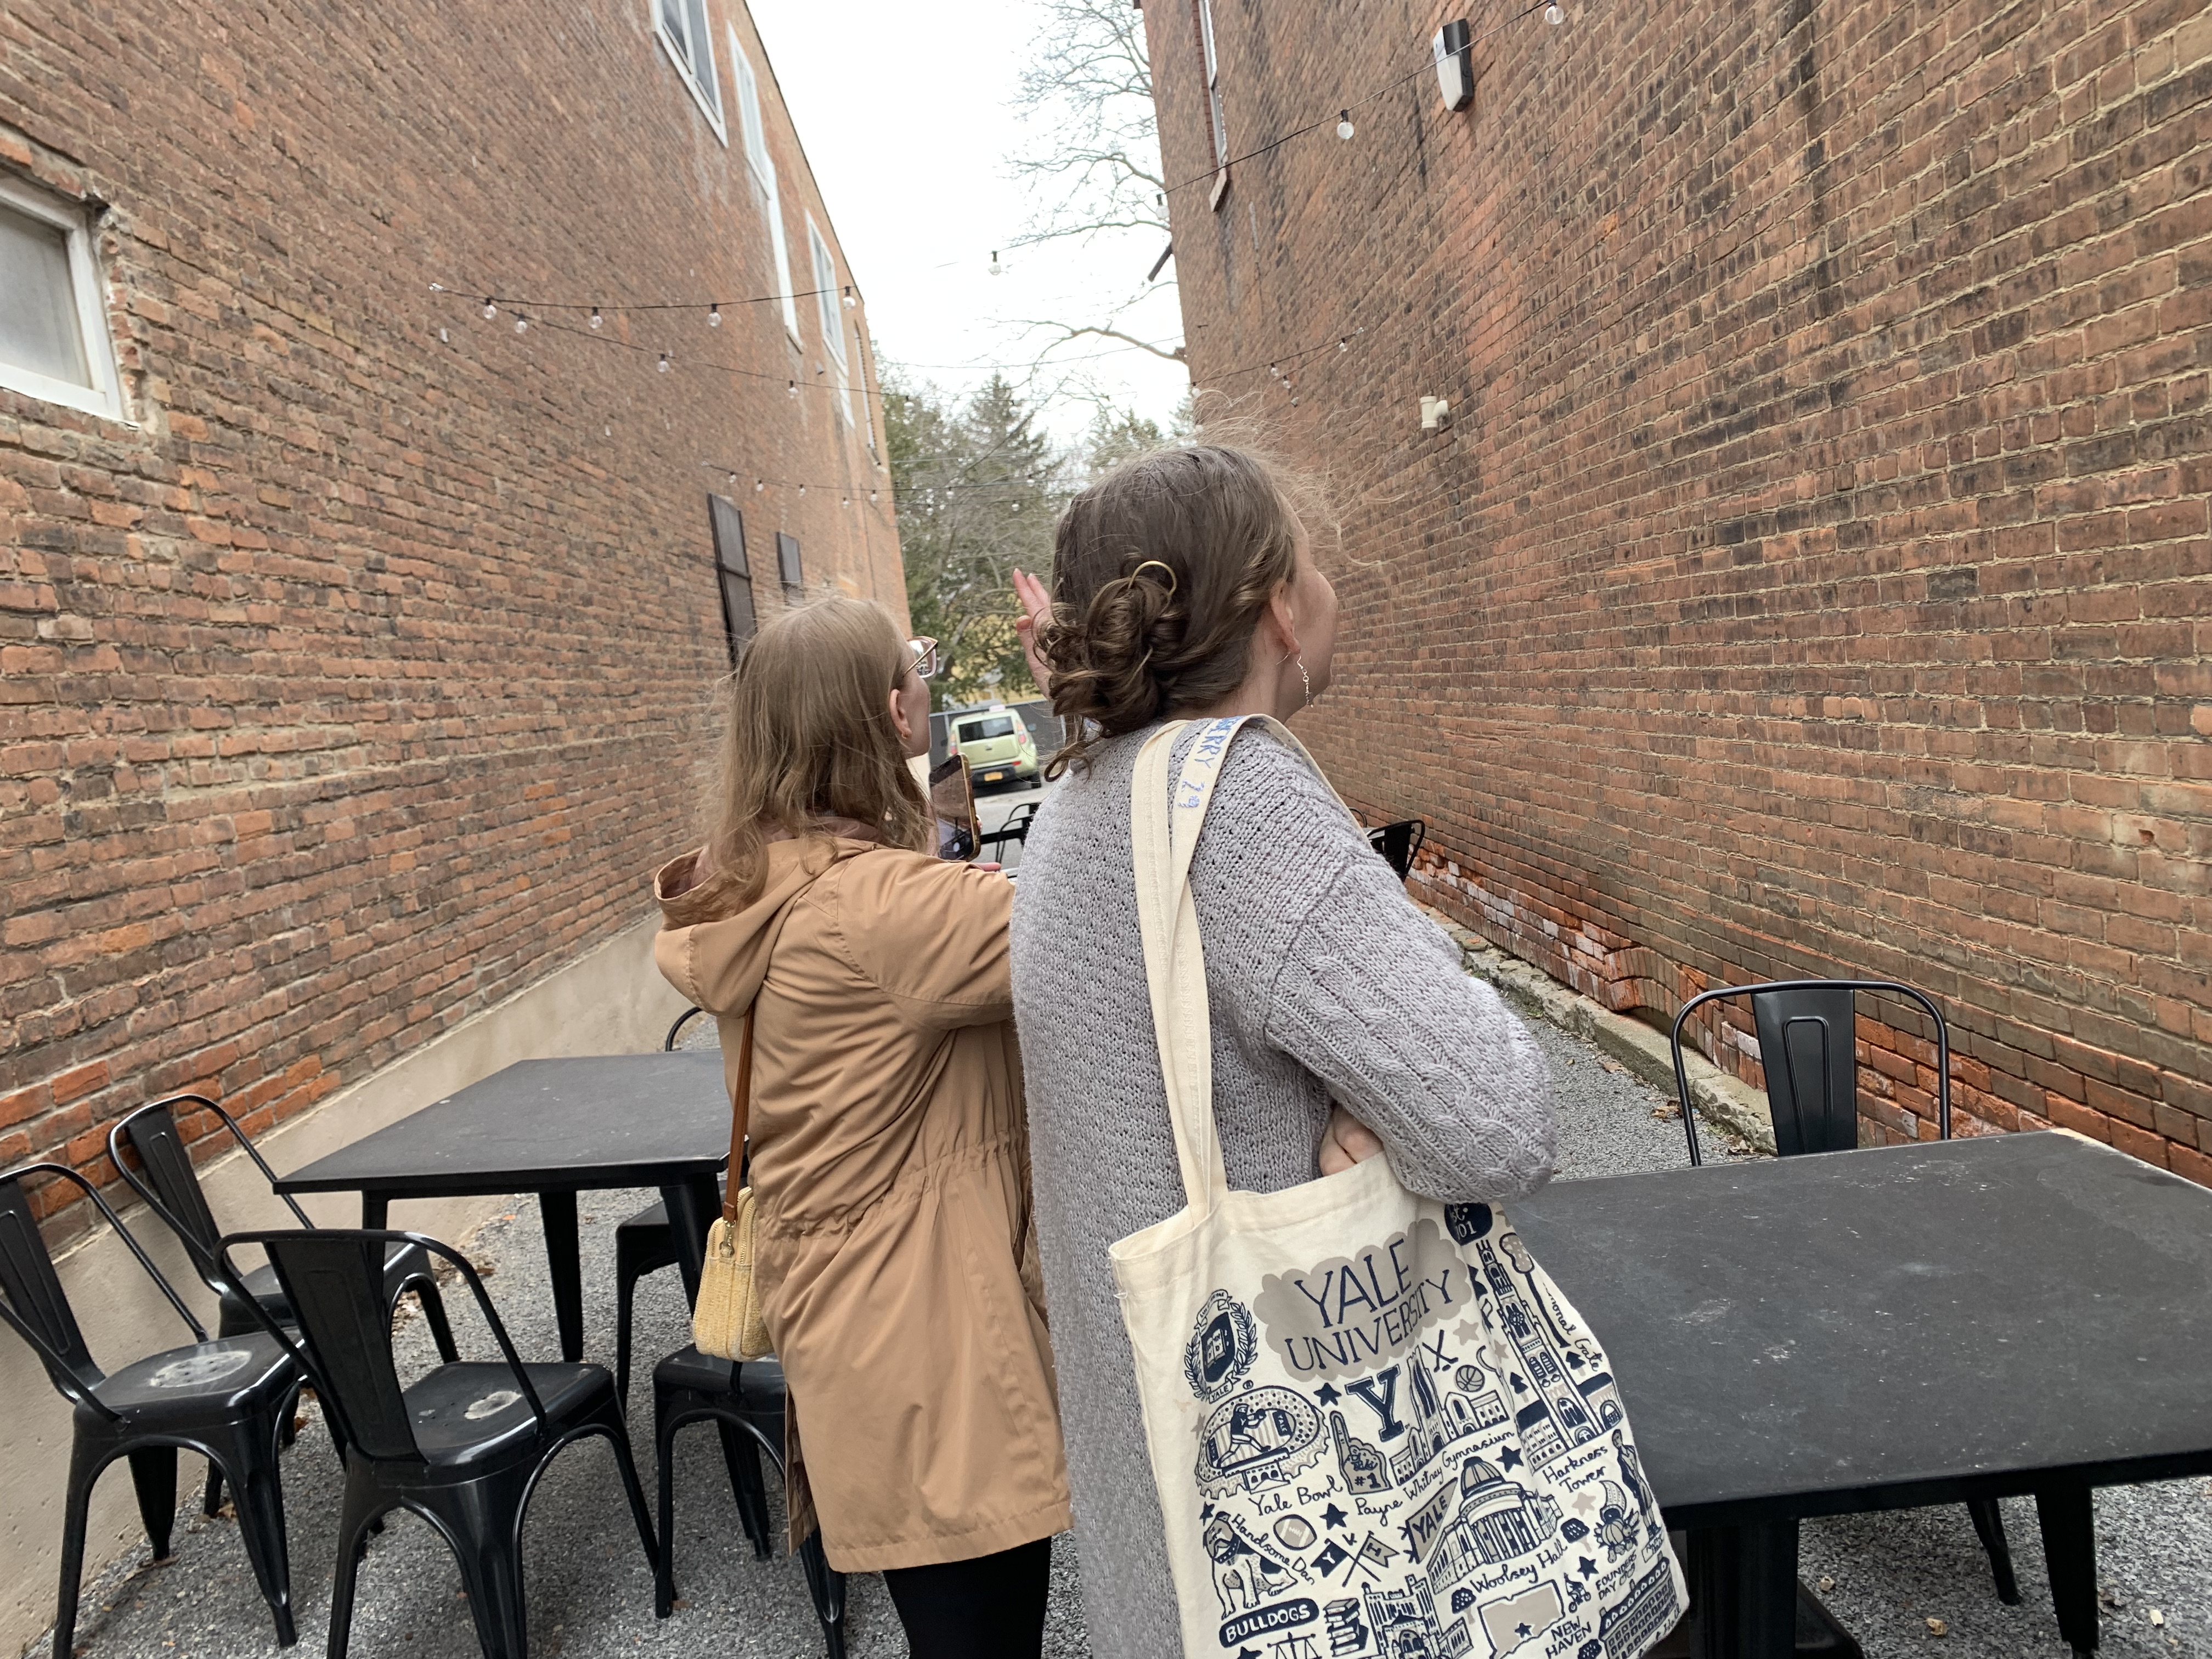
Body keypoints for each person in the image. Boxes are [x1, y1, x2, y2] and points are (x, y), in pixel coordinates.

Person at [1006, 443, 1556, 1659]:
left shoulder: (1079, 802)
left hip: (1162, 1479)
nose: (1331, 586)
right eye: (1317, 561)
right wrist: (1390, 1119)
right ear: (1277, 611)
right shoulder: (1244, 803)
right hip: (1303, 1506)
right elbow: (1500, 1121)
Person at [653, 597, 1071, 1658]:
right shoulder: (884, 911)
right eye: (918, 672)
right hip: (937, 1339)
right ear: (895, 713)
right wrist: (1084, 704)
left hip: (851, 1325)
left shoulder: (753, 887)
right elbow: (1112, 908)